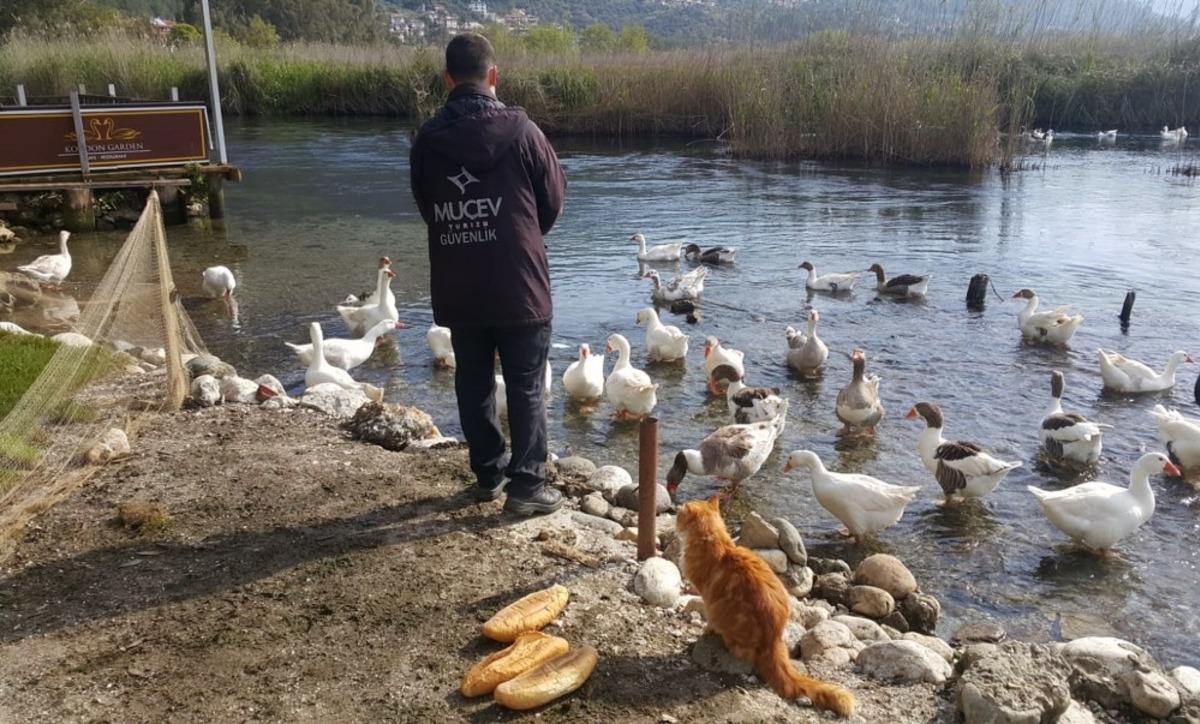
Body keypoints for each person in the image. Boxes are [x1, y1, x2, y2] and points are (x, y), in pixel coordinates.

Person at [409, 32, 566, 515]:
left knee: (472, 381)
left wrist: (467, 236)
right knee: (524, 382)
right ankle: (527, 487)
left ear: (447, 80)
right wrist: (516, 234)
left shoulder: (426, 142)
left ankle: (488, 475)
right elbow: (553, 200)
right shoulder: (523, 132)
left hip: (460, 282)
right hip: (520, 282)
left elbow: (428, 208)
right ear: (494, 77)